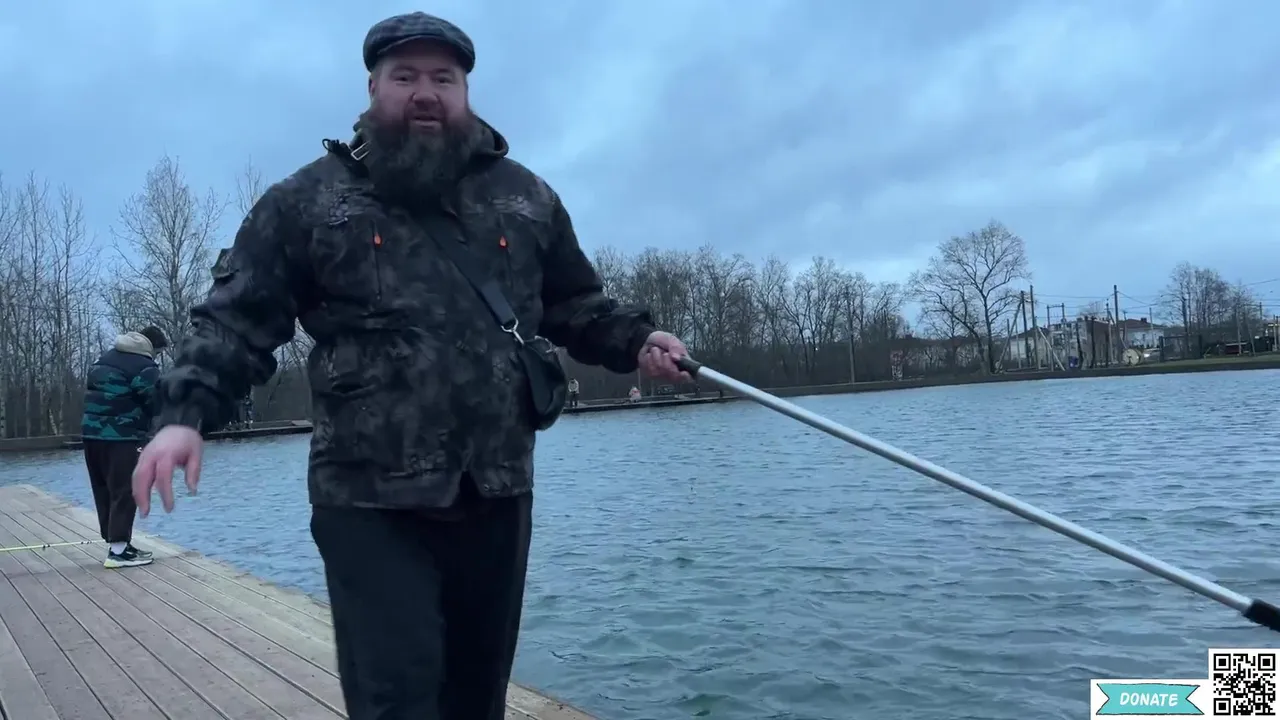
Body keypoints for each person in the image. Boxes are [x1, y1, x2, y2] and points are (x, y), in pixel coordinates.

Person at [131, 12, 690, 720]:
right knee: (396, 698)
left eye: (443, 79)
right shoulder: (308, 201)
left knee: (476, 700)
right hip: (369, 497)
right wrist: (184, 416)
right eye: (405, 77)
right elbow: (236, 317)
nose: (425, 93)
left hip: (497, 490)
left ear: (465, 91)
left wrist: (637, 340)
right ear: (373, 88)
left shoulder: (526, 198)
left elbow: (576, 305)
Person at [82, 325, 167, 569]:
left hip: (91, 435)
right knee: (126, 490)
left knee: (104, 490)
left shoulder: (104, 359)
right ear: (152, 347)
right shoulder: (144, 366)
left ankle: (117, 544)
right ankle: (118, 552)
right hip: (124, 437)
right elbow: (155, 402)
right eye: (158, 352)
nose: (157, 357)